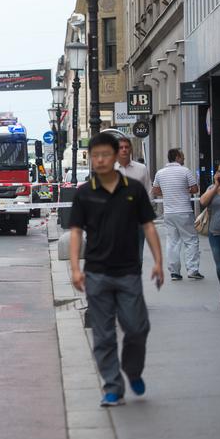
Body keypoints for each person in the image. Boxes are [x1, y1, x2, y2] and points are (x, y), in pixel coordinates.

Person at [69, 133, 164, 407]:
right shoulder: (84, 194)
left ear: (117, 156)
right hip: (96, 273)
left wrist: (158, 261)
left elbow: (148, 226)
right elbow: (75, 232)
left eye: (105, 154)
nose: (99, 160)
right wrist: (76, 268)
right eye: (95, 155)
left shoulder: (133, 189)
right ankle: (112, 386)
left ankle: (132, 370)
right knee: (104, 334)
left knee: (136, 328)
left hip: (128, 273)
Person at [152, 148, 201, 281]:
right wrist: (184, 190)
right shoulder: (185, 171)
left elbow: (155, 191)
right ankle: (192, 270)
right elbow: (195, 189)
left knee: (172, 242)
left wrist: (169, 193)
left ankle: (174, 272)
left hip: (169, 213)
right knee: (190, 240)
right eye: (183, 157)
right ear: (178, 157)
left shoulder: (160, 173)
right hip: (184, 211)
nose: (184, 159)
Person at [115, 135, 152, 251]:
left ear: (131, 149)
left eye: (126, 147)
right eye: (121, 147)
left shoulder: (141, 169)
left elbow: (149, 190)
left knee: (138, 253)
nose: (124, 150)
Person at [198, 161, 220, 307]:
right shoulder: (212, 188)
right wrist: (216, 187)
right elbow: (202, 201)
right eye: (219, 171)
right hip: (215, 233)